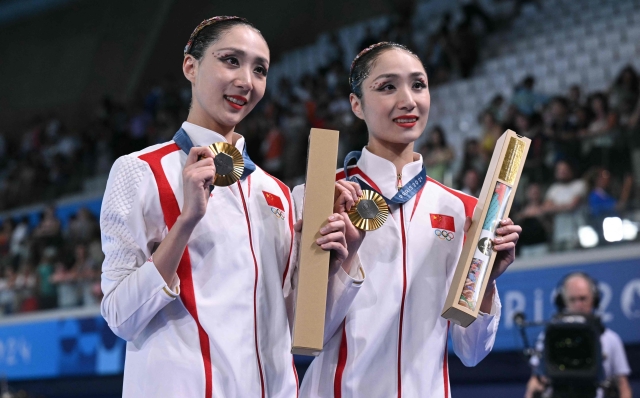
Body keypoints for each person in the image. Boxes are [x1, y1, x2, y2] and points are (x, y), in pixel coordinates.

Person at [100, 17, 364, 398]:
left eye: (260, 69)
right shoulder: (140, 171)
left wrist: (337, 259)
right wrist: (186, 221)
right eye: (230, 60)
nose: (247, 80)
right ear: (190, 65)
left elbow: (302, 330)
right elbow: (120, 317)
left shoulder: (274, 192)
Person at [300, 42, 522, 398]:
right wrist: (347, 259)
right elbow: (306, 337)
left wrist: (486, 283)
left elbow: (472, 353)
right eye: (387, 87)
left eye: (418, 85)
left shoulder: (464, 210)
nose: (408, 100)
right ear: (356, 104)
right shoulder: (320, 197)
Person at [525, 272, 633, 398]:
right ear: (563, 301)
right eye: (572, 299)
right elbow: (535, 382)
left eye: (583, 298)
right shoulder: (550, 337)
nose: (578, 305)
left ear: (594, 299)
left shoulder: (611, 339)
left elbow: (623, 386)